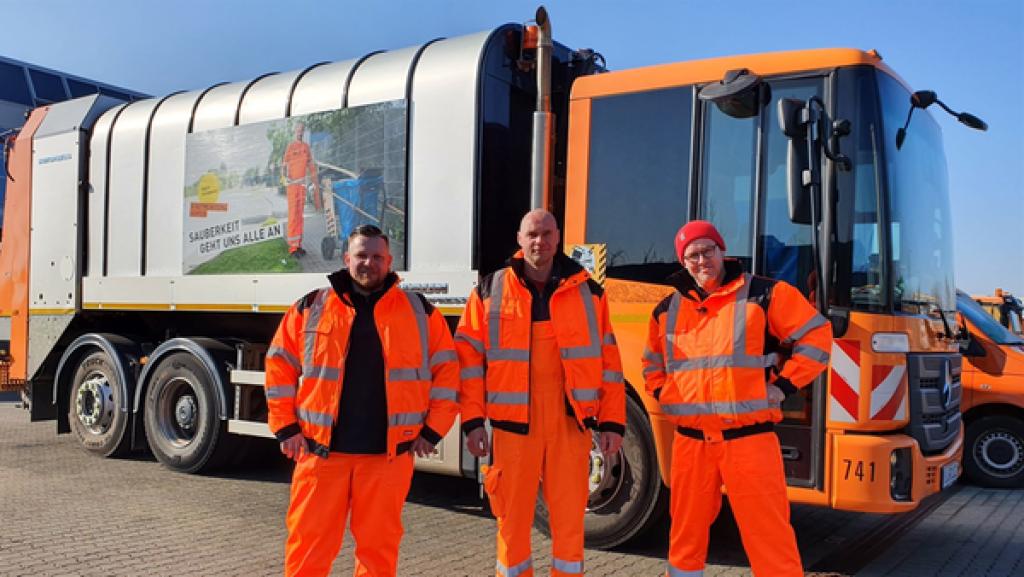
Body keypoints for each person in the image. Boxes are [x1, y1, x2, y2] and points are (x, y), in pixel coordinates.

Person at [264, 224, 460, 577]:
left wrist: (433, 430)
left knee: (378, 553)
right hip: (320, 455)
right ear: (346, 259)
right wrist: (285, 427)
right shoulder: (311, 306)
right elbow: (279, 366)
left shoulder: (421, 312)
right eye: (361, 256)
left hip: (386, 459)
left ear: (389, 261)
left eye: (376, 257)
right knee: (308, 547)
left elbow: (448, 372)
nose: (368, 263)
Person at [642, 220, 832, 577]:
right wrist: (662, 395)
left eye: (707, 251)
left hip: (749, 442)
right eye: (692, 255)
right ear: (683, 262)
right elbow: (651, 362)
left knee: (770, 538)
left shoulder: (764, 294)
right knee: (685, 539)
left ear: (722, 251)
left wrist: (785, 386)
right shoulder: (666, 310)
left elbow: (818, 336)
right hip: (691, 444)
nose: (701, 261)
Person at [456, 209, 625, 577]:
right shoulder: (490, 289)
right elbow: (468, 363)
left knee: (569, 524)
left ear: (558, 237)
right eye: (532, 234)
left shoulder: (589, 293)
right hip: (513, 428)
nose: (540, 241)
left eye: (547, 233)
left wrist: (612, 420)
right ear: (519, 238)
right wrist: (472, 421)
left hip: (570, 423)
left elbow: (609, 361)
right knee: (512, 522)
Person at [282, 122, 320, 258]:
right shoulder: (290, 147)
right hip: (292, 186)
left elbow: (311, 165)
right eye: (298, 130)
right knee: (293, 216)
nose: (300, 132)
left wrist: (314, 181)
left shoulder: (306, 147)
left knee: (299, 216)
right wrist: (286, 178)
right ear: (294, 131)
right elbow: (284, 165)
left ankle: (298, 244)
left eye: (302, 130)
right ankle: (292, 248)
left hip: (302, 186)